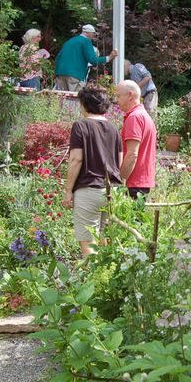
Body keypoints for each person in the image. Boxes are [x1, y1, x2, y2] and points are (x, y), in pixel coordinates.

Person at [62, 84, 122, 257]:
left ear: (84, 104)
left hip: (89, 190)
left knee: (88, 245)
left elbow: (76, 159)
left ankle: (92, 282)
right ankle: (105, 280)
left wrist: (68, 191)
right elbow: (118, 160)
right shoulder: (113, 128)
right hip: (113, 191)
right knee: (104, 240)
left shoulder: (81, 126)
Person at [116, 80, 157, 199]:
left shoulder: (134, 118)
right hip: (141, 181)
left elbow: (132, 155)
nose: (116, 100)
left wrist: (121, 180)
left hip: (133, 183)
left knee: (131, 217)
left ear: (130, 95)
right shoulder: (144, 115)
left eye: (118, 96)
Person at [54, 24, 117, 92]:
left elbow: (58, 58)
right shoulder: (86, 41)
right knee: (75, 98)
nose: (93, 36)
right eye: (93, 34)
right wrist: (109, 58)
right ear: (88, 33)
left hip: (61, 73)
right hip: (75, 75)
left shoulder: (69, 41)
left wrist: (57, 73)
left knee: (62, 98)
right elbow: (92, 60)